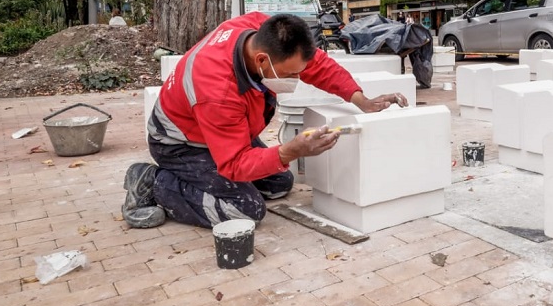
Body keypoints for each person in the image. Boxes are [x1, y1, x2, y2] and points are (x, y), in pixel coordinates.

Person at [122, 12, 408, 229]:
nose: (297, 80)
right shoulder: (217, 90)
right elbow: (233, 163)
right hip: (180, 143)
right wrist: (290, 151)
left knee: (280, 182)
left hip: (221, 131)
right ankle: (152, 182)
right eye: (290, 75)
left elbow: (316, 65)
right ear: (261, 61)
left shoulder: (262, 30)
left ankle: (204, 181)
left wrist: (360, 99)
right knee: (245, 210)